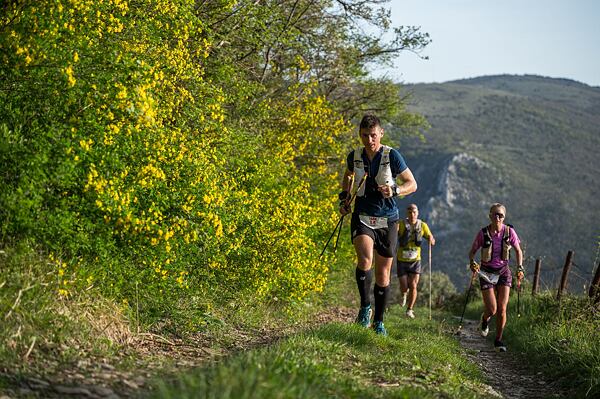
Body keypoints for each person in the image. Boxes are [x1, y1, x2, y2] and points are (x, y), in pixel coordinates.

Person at [339, 114, 417, 336]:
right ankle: (365, 308)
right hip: (363, 215)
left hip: (388, 219)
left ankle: (379, 322)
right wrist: (344, 198)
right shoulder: (354, 156)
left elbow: (412, 183)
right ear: (360, 135)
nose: (369, 140)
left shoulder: (392, 156)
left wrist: (396, 190)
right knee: (365, 259)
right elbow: (348, 175)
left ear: (381, 133)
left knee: (383, 273)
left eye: (373, 135)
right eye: (365, 136)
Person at [468, 203, 524, 352]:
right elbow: (472, 252)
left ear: (504, 217)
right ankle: (484, 319)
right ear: (490, 216)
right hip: (486, 273)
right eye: (495, 214)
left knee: (502, 308)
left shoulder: (510, 232)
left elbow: (518, 251)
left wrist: (519, 267)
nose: (497, 217)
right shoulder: (482, 233)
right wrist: (472, 262)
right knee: (492, 309)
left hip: (504, 272)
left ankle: (498, 340)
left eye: (501, 215)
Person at [396, 204, 435, 319]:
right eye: (409, 212)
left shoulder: (422, 225)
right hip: (402, 259)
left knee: (413, 285)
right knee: (404, 285)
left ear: (417, 213)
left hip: (415, 260)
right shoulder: (402, 224)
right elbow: (394, 233)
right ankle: (404, 294)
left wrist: (431, 240)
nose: (412, 215)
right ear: (407, 214)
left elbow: (431, 238)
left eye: (414, 212)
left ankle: (409, 309)